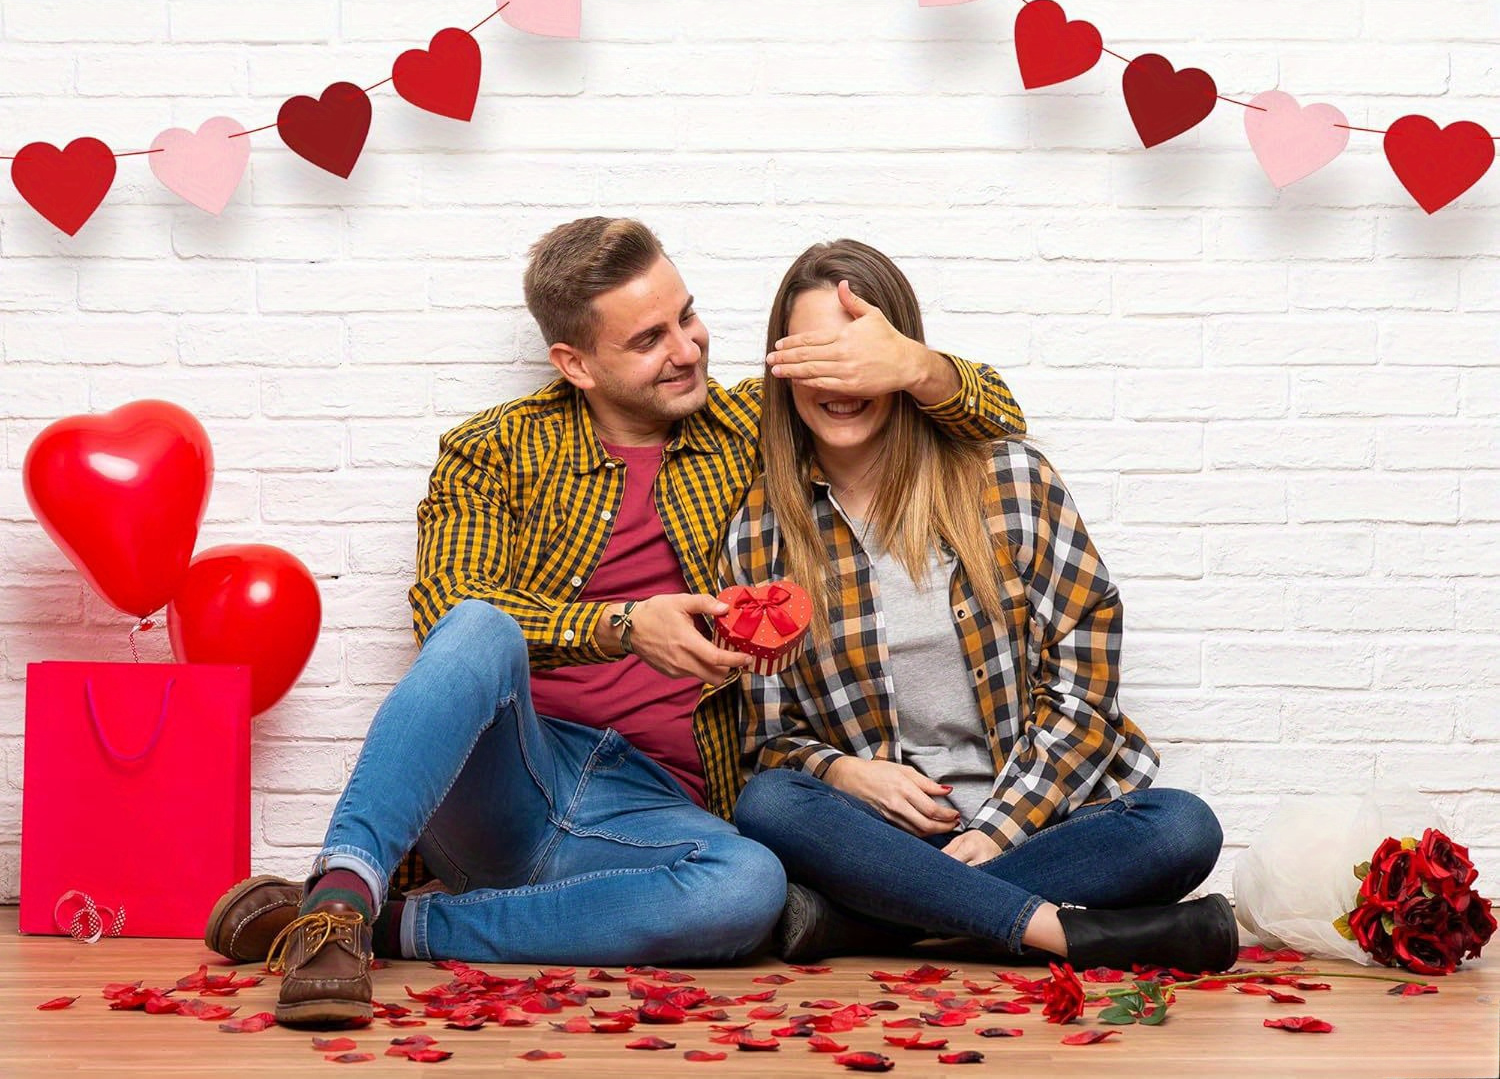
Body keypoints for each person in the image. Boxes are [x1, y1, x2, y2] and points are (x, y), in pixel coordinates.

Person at [202, 218, 1028, 1026]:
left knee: (749, 888)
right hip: (518, 780)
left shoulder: (752, 427)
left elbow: (997, 426)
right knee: (478, 625)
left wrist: (917, 365)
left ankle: (391, 928)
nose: (689, 349)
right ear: (576, 363)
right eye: (648, 340)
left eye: (688, 316)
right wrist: (622, 627)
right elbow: (443, 614)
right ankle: (340, 896)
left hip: (657, 813)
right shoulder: (492, 449)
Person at [729, 239, 1238, 973]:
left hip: (1041, 828)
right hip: (882, 839)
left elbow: (1084, 694)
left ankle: (874, 926)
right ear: (781, 368)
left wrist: (999, 828)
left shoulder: (1008, 478)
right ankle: (1061, 933)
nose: (840, 379)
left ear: (903, 356)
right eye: (816, 356)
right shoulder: (760, 530)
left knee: (1183, 827)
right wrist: (844, 775)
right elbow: (769, 739)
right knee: (770, 804)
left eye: (858, 354)